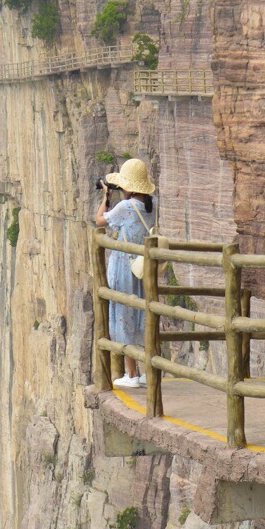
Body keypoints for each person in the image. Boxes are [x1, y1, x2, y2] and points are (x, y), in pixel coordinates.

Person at [97, 159, 157, 391]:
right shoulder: (152, 205)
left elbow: (100, 221)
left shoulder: (125, 207)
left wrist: (106, 197)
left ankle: (132, 374)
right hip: (143, 265)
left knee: (123, 313)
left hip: (124, 266)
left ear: (130, 187)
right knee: (142, 313)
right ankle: (145, 371)